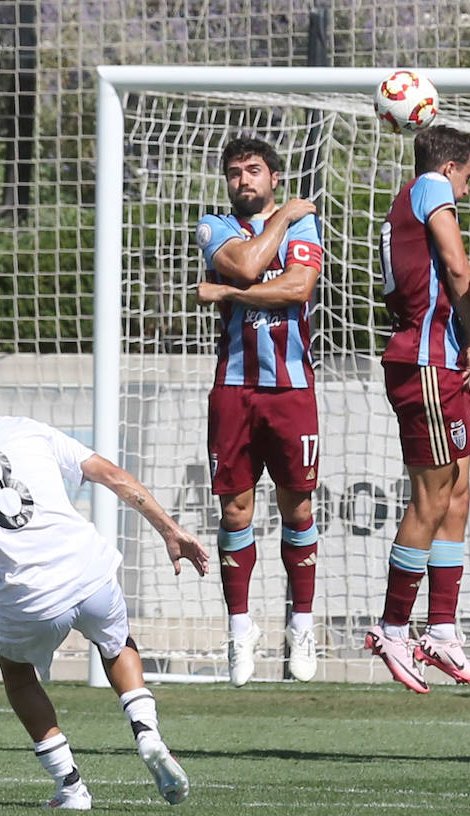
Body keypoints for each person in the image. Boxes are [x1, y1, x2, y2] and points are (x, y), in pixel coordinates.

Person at [0, 338, 210, 809]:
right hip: (89, 573)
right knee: (117, 645)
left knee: (18, 674)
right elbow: (110, 474)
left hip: (28, 601)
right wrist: (170, 530)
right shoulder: (27, 428)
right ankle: (148, 734)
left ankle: (70, 786)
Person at [367, 126, 470, 692]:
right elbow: (455, 266)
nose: (466, 194)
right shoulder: (428, 186)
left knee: (457, 488)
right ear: (451, 170)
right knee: (431, 494)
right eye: (467, 180)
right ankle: (393, 625)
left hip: (439, 359)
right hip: (422, 364)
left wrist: (468, 333)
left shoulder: (414, 196)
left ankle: (441, 629)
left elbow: (444, 284)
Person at [194, 136, 325, 687]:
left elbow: (297, 290)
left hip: (291, 391)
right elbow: (247, 265)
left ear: (274, 177)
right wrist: (283, 219)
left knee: (297, 511)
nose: (243, 180)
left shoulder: (305, 227)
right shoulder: (214, 227)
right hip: (234, 391)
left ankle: (301, 625)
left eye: (253, 171)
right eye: (234, 173)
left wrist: (225, 295)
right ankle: (240, 629)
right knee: (235, 515)